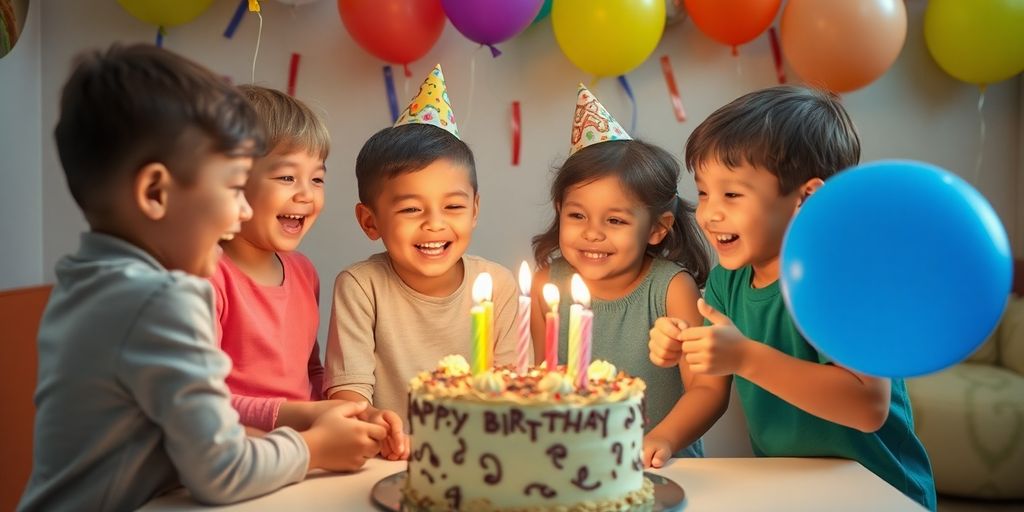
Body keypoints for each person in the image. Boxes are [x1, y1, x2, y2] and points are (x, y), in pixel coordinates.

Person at [19, 44, 385, 512]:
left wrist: (309, 418)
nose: (242, 211)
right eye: (233, 188)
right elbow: (220, 470)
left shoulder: (85, 281)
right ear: (155, 193)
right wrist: (315, 447)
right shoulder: (162, 298)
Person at [648, 85, 936, 510]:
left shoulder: (844, 278)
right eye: (704, 191)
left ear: (806, 196)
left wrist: (745, 357)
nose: (708, 213)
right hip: (792, 489)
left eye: (732, 194)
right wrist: (665, 428)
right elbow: (710, 387)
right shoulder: (729, 281)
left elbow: (867, 406)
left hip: (880, 492)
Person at [531, 85, 727, 468]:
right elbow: (537, 381)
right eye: (577, 215)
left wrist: (663, 439)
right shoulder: (546, 286)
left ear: (656, 228)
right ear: (560, 210)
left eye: (615, 220)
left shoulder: (671, 289)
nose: (592, 233)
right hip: (570, 465)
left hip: (660, 466)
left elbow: (708, 389)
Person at [323, 65, 517, 431]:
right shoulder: (361, 286)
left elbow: (513, 390)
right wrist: (369, 420)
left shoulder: (498, 285)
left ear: (475, 210)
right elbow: (349, 396)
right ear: (370, 221)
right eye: (411, 209)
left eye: (454, 207)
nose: (434, 223)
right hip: (388, 457)